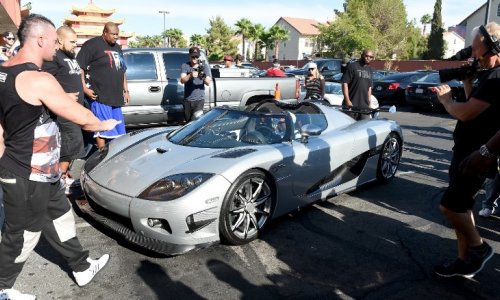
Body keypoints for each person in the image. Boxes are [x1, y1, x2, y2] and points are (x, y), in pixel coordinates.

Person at [0, 14, 120, 299]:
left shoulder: (4, 71)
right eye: (54, 40)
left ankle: (80, 266)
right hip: (26, 172)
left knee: (61, 215)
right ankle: (2, 287)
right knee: (22, 234)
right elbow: (83, 118)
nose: (56, 46)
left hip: (43, 170)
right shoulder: (38, 79)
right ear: (40, 39)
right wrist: (105, 123)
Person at [430, 22, 500, 278]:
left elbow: (467, 113)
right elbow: (475, 104)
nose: (471, 49)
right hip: (467, 150)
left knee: (450, 207)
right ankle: (464, 261)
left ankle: (479, 250)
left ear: (490, 45)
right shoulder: (488, 74)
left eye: (475, 43)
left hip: (475, 155)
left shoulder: (497, 76)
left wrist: (447, 100)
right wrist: (469, 81)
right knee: (462, 209)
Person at [42, 26, 85, 194]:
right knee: (69, 148)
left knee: (71, 149)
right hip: (63, 112)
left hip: (74, 111)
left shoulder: (70, 56)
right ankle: (58, 183)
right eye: (72, 42)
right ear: (60, 40)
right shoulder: (54, 58)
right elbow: (45, 81)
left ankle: (63, 177)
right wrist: (64, 96)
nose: (75, 45)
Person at [77, 22, 129, 150]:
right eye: (113, 34)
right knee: (102, 127)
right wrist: (84, 88)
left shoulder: (117, 47)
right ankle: (101, 154)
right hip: (100, 95)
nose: (116, 37)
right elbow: (80, 67)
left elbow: (122, 70)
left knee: (117, 129)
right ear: (105, 32)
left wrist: (126, 90)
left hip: (116, 97)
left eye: (117, 34)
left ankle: (113, 155)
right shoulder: (92, 45)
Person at [180, 46, 212, 122]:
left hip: (199, 100)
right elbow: (182, 80)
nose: (195, 58)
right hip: (187, 99)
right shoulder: (185, 65)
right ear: (189, 55)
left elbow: (208, 82)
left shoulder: (204, 66)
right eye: (193, 56)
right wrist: (190, 75)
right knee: (188, 122)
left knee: (196, 121)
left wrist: (202, 76)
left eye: (196, 56)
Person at [341, 49, 374, 120]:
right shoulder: (352, 66)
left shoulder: (370, 70)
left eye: (371, 57)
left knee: (363, 128)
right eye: (367, 56)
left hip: (364, 107)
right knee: (349, 128)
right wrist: (347, 101)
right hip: (352, 105)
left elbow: (369, 87)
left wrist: (369, 102)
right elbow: (345, 83)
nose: (368, 58)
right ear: (362, 55)